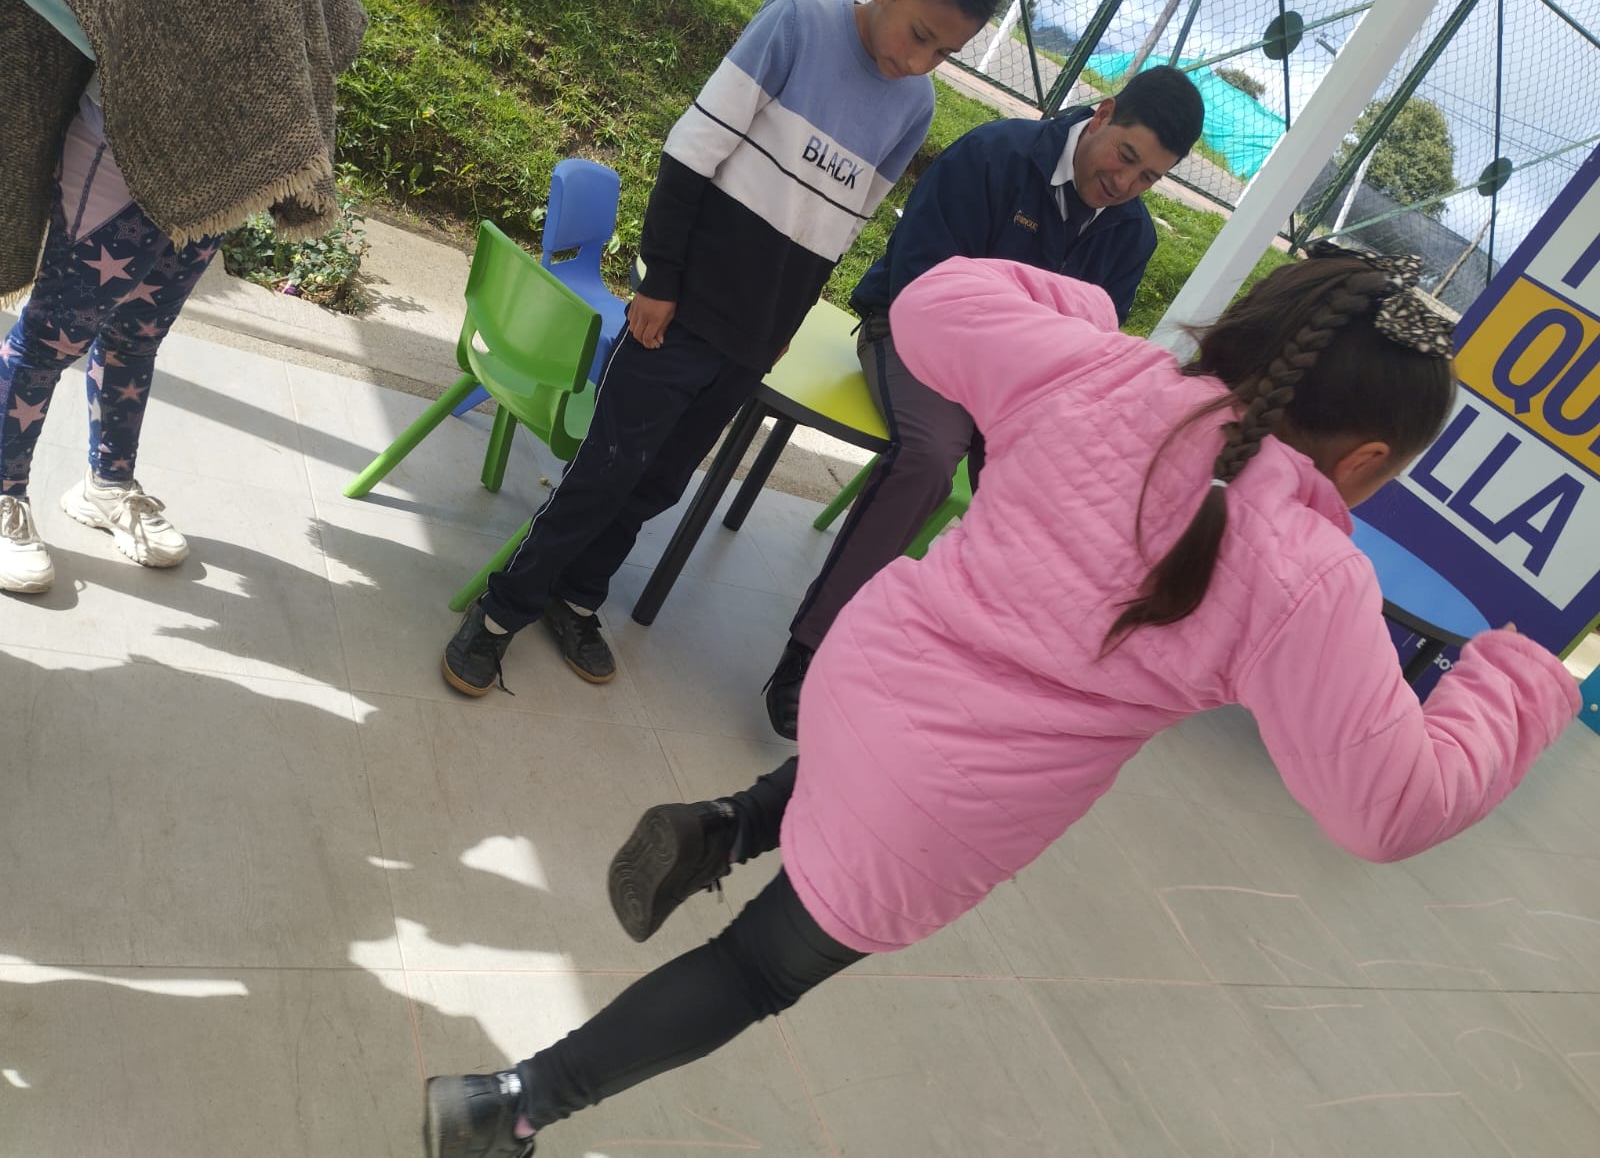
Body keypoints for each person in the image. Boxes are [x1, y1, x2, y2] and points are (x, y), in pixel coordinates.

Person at [421, 245, 1579, 1155]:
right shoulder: (1310, 574)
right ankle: (509, 1107)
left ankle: (735, 823)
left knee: (861, 768)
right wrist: (1516, 685)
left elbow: (931, 304)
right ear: (1369, 461)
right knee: (755, 970)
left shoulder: (1101, 370)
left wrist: (1090, 320)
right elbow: (1387, 809)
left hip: (862, 677)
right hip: (940, 806)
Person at [438, 0, 1003, 697]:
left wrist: (782, 331)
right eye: (920, 34)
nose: (920, 61)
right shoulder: (796, 23)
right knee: (605, 472)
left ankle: (577, 598)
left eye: (944, 54)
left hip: (753, 335)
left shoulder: (915, 106)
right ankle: (503, 608)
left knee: (661, 482)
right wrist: (659, 280)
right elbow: (691, 153)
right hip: (679, 309)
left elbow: (838, 233)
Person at [762, 65, 1205, 738]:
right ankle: (809, 650)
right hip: (915, 339)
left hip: (1019, 388)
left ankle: (955, 673)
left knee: (1047, 494)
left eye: (1148, 179)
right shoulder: (996, 155)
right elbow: (919, 283)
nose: (1125, 184)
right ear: (1103, 114)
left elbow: (1093, 341)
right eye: (1126, 157)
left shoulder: (1131, 235)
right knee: (930, 455)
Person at [0, 0, 365, 593]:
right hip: (126, 128)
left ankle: (106, 485)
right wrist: (122, 29)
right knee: (53, 335)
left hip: (237, 148)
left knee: (139, 332)